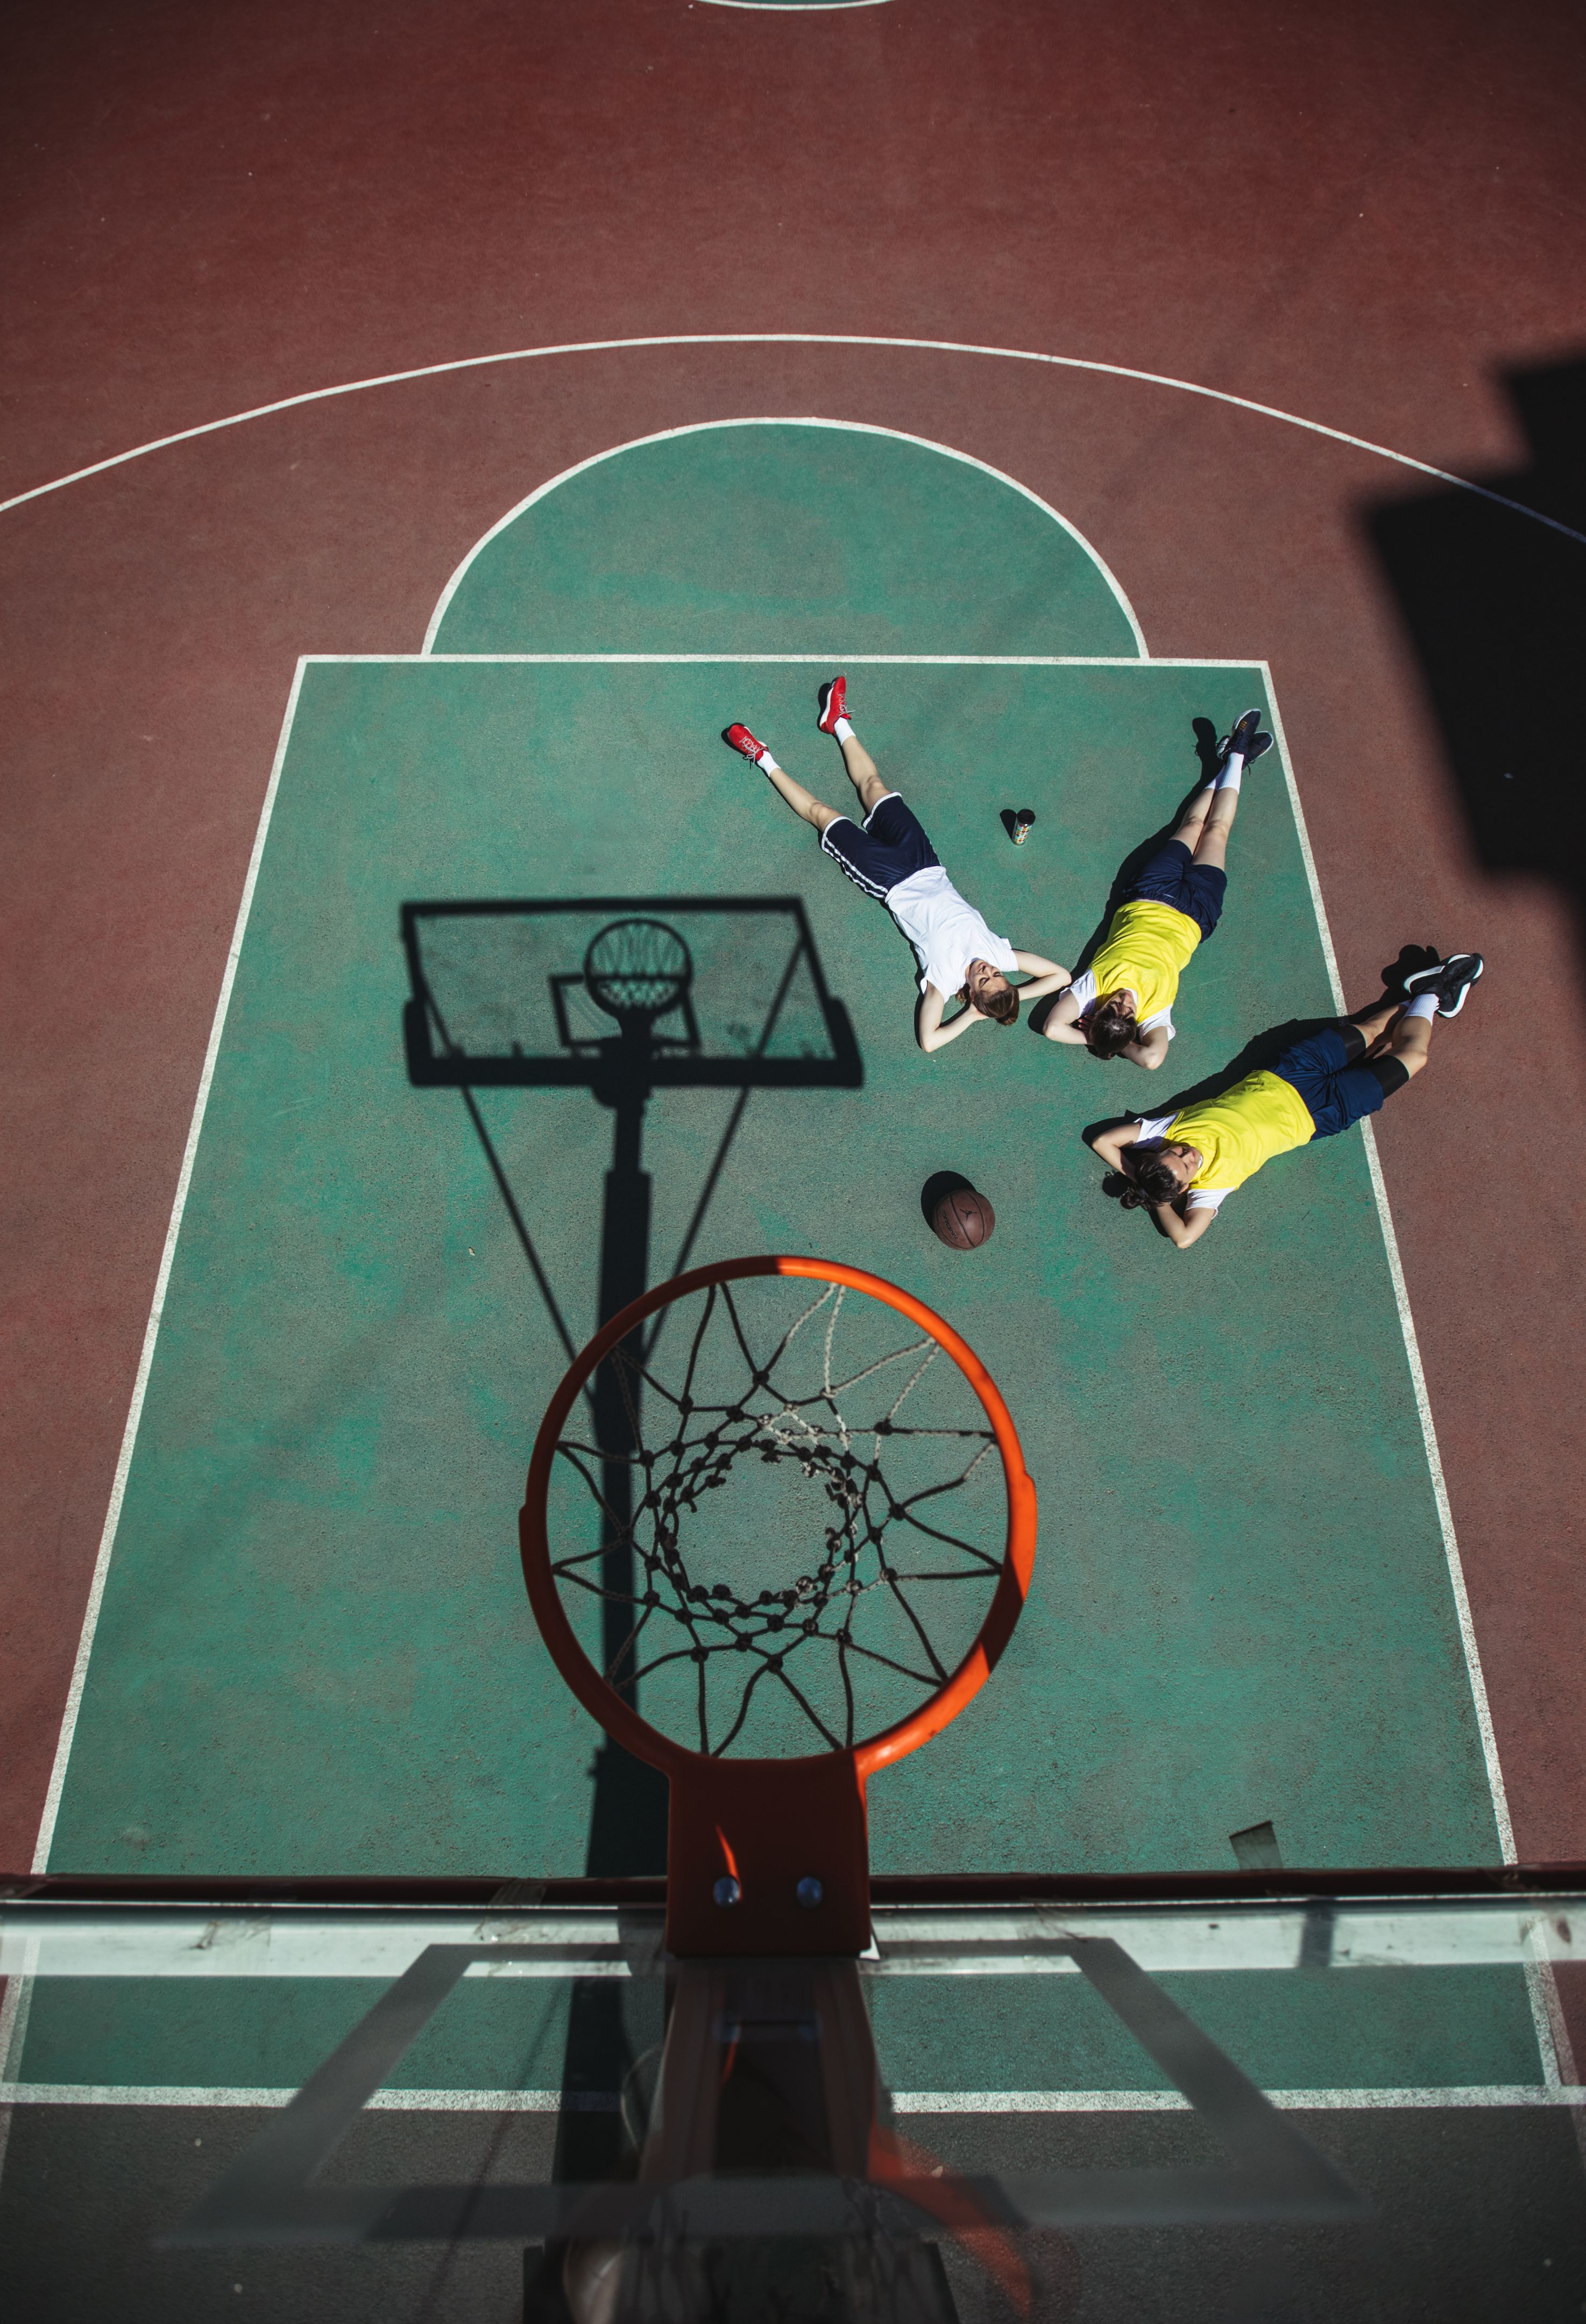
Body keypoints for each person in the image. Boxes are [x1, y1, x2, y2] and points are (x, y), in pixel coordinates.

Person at [724, 676, 1066, 1052]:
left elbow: (930, 1041)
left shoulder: (944, 980)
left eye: (984, 980)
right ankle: (836, 720)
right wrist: (1010, 993)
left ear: (970, 993)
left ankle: (761, 756)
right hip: (925, 860)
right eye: (997, 975)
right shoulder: (999, 954)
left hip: (887, 878)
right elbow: (1059, 975)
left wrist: (974, 1015)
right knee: (873, 786)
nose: (988, 970)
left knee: (822, 813)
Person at [1086, 952, 1484, 1249]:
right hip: (1325, 1112)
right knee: (1414, 1057)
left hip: (1294, 1069)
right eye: (1187, 1165)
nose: (1189, 1153)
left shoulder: (1166, 1131)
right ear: (1188, 1187)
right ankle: (1431, 994)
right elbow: (1185, 1237)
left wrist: (1142, 1175)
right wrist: (1156, 1198)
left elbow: (1103, 1141)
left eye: (1176, 1152)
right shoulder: (1213, 1186)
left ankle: (1426, 995)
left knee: (1376, 1030)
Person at [1040, 710, 1272, 1068]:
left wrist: (1098, 1035)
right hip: (1197, 912)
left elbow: (1053, 1028)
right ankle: (1237, 756)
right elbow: (1151, 1060)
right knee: (1218, 831)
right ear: (1135, 1025)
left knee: (1194, 822)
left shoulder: (1092, 989)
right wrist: (1117, 1040)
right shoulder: (1155, 1013)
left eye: (1113, 1008)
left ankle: (1235, 761)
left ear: (1099, 1012)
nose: (1122, 1002)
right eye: (1127, 1012)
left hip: (1150, 892)